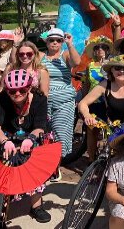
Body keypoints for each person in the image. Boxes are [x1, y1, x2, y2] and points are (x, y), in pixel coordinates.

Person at [0, 69, 51, 223]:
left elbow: (40, 126)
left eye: (22, 90)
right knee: (3, 159)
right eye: (12, 91)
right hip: (8, 135)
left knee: (34, 162)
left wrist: (30, 139)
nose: (17, 94)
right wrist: (5, 141)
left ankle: (36, 206)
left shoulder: (39, 99)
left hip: (33, 135)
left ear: (29, 87)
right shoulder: (3, 98)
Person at [79, 55, 124, 130]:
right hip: (117, 133)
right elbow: (82, 103)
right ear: (111, 70)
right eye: (117, 68)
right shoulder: (105, 85)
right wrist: (87, 116)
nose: (122, 71)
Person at [40, 27, 80, 158]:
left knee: (60, 132)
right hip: (44, 99)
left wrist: (69, 44)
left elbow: (77, 62)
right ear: (47, 42)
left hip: (63, 99)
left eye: (58, 40)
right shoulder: (41, 56)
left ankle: (56, 165)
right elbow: (21, 60)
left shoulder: (65, 54)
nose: (55, 43)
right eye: (52, 40)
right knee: (44, 133)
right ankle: (46, 163)